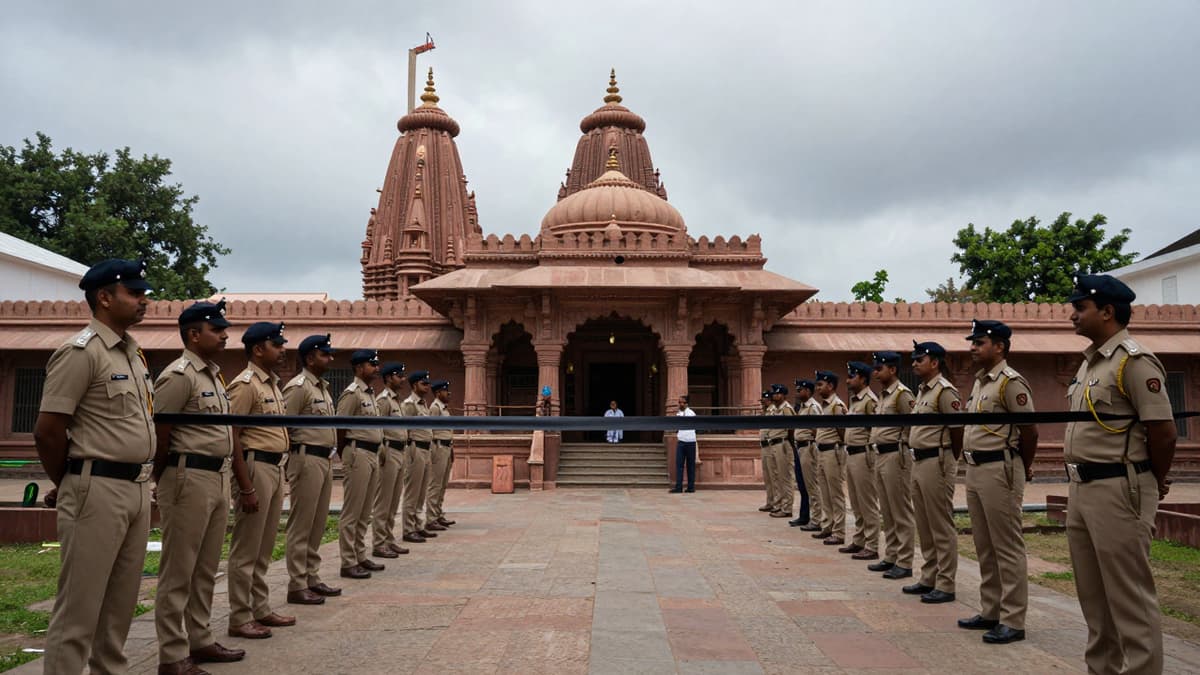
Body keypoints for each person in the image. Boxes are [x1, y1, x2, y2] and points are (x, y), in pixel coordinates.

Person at [35, 258, 155, 674]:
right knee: (79, 610)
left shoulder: (133, 356)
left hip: (136, 489)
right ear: (104, 298)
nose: (144, 301)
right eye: (134, 294)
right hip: (96, 488)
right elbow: (49, 431)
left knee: (120, 606)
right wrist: (70, 481)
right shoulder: (80, 352)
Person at [1063, 274, 1176, 673]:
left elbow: (1163, 433)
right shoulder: (1091, 364)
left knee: (1129, 598)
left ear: (1107, 311)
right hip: (1082, 489)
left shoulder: (1134, 360)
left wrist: (1151, 479)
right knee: (1094, 601)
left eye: (1081, 308)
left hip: (1119, 487)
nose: (1072, 315)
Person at [152, 300, 244, 672]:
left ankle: (200, 638)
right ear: (193, 334)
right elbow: (161, 433)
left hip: (216, 476)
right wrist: (162, 478)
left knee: (206, 566)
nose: (224, 335)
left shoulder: (212, 376)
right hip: (187, 476)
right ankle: (173, 654)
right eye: (217, 330)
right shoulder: (179, 375)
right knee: (179, 569)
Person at [958, 319, 1039, 645]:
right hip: (977, 470)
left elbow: (1030, 431)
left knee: (1006, 546)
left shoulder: (1011, 382)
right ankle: (991, 609)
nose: (972, 348)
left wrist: (1022, 465)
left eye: (979, 342)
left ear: (1000, 346)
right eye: (973, 342)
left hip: (999, 468)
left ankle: (1013, 618)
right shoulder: (981, 383)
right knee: (985, 544)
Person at [225, 322, 298, 637]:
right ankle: (240, 616)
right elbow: (234, 437)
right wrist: (245, 486)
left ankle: (260, 607)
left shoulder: (271, 384)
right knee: (246, 548)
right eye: (277, 344)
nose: (282, 350)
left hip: (274, 468)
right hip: (254, 467)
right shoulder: (245, 385)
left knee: (265, 544)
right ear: (258, 349)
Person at [282, 335, 342, 605]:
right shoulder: (299, 387)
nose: (330, 359)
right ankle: (297, 583)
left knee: (317, 522)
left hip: (324, 459)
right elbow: (285, 427)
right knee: (302, 522)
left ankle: (311, 576)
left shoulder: (322, 388)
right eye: (324, 354)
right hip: (305, 458)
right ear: (309, 358)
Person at [904, 340, 963, 604]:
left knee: (940, 523)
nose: (914, 364)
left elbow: (957, 430)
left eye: (919, 360)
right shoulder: (924, 392)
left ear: (935, 362)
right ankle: (929, 576)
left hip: (937, 460)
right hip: (919, 461)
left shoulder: (944, 392)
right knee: (925, 523)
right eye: (914, 360)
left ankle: (946, 582)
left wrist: (948, 458)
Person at [335, 349, 386, 579]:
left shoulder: (369, 394)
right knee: (353, 510)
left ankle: (359, 555)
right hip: (358, 453)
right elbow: (340, 427)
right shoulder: (352, 393)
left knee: (365, 510)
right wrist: (346, 451)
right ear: (358, 368)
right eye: (371, 364)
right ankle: (347, 561)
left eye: (376, 364)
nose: (376, 368)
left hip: (372, 454)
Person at [868, 351, 917, 581]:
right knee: (886, 510)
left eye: (879, 369)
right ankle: (892, 554)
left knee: (900, 510)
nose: (875, 373)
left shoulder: (902, 395)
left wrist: (903, 451)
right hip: (881, 455)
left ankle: (905, 561)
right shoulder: (884, 396)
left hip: (896, 456)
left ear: (893, 370)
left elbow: (912, 427)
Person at [841, 361, 881, 560]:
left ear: (863, 378)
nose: (848, 380)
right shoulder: (855, 400)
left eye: (852, 376)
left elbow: (873, 430)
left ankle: (872, 545)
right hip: (851, 454)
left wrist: (870, 456)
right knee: (856, 501)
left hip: (863, 454)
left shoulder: (869, 400)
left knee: (867, 501)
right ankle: (859, 539)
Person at [372, 362, 410, 558]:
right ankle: (379, 543)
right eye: (398, 376)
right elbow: (378, 429)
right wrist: (383, 454)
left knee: (394, 500)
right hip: (389, 451)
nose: (402, 379)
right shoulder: (384, 400)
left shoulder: (397, 401)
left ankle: (388, 538)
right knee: (384, 500)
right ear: (388, 378)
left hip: (400, 451)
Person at [811, 370, 848, 545]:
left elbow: (843, 432)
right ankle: (828, 525)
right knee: (825, 492)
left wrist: (838, 450)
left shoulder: (836, 406)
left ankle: (839, 531)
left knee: (835, 493)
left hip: (833, 451)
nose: (817, 388)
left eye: (820, 385)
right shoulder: (825, 406)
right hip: (822, 451)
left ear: (831, 386)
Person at [401, 370, 436, 543]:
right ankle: (408, 529)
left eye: (428, 383)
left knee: (421, 491)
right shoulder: (410, 404)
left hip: (426, 449)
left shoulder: (423, 404)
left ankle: (417, 525)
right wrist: (410, 452)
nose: (427, 386)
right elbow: (404, 430)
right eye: (424, 383)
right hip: (415, 448)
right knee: (412, 492)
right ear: (414, 385)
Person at [789, 379, 824, 530]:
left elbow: (817, 430)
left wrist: (813, 447)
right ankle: (805, 516)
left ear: (808, 392)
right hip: (800, 447)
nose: (797, 393)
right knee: (802, 485)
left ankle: (816, 519)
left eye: (800, 390)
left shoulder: (813, 407)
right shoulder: (802, 407)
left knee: (812, 485)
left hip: (809, 447)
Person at [426, 379, 457, 529]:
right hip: (438, 447)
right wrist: (433, 452)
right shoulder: (435, 408)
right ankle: (431, 518)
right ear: (438, 393)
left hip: (446, 447)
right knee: (435, 484)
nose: (448, 393)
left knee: (443, 484)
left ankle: (438, 514)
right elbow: (431, 431)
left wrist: (451, 449)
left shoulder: (444, 408)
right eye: (445, 390)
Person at [763, 384, 797, 518]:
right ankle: (780, 504)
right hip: (774, 443)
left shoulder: (786, 408)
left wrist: (788, 442)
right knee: (777, 477)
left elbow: (792, 427)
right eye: (774, 394)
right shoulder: (776, 409)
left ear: (783, 395)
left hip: (782, 443)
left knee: (785, 478)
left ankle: (787, 508)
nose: (775, 396)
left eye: (778, 394)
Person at [670, 395, 698, 493]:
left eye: (682, 402)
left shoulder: (691, 413)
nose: (680, 404)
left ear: (687, 403)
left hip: (690, 442)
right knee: (679, 465)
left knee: (690, 465)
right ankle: (679, 487)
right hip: (681, 442)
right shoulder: (679, 414)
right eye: (679, 402)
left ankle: (691, 487)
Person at [757, 389, 778, 513]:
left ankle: (777, 502)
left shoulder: (773, 411)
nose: (762, 403)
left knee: (774, 476)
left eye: (763, 401)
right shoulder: (765, 412)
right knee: (768, 477)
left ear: (769, 400)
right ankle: (770, 501)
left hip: (771, 445)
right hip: (764, 445)